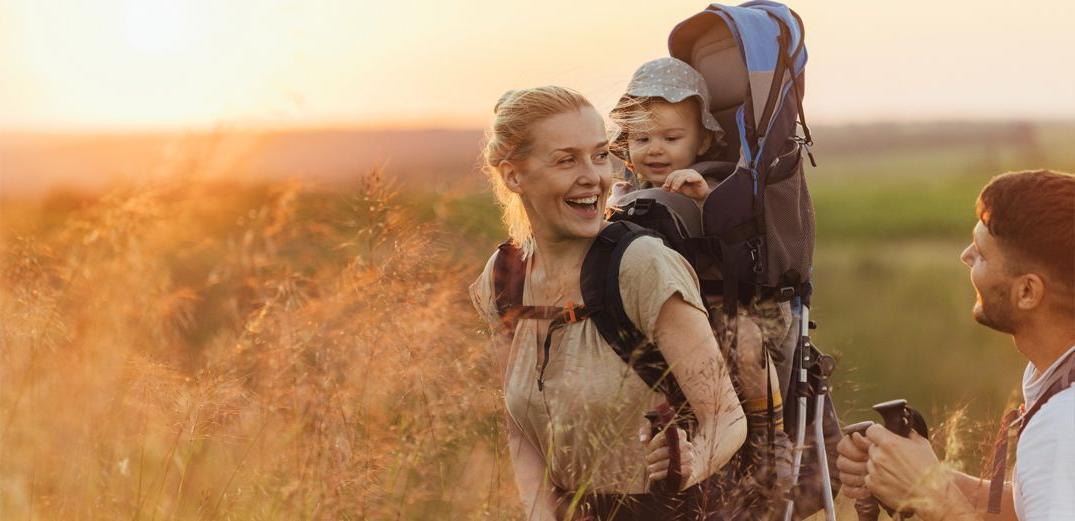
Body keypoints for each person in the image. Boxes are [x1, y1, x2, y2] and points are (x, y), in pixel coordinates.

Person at [470, 85, 747, 520]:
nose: (594, 177)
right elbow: (520, 427)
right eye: (566, 160)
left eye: (600, 155)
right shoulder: (505, 277)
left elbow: (727, 416)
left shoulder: (642, 265)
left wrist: (691, 464)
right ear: (513, 175)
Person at [608, 57, 795, 518]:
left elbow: (749, 258)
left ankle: (772, 440)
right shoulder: (621, 194)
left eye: (671, 139)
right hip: (662, 317)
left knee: (746, 340)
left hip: (729, 309)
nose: (655, 150)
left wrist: (709, 204)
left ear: (703, 139)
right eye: (641, 138)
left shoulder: (711, 184)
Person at [836, 170, 1075, 520]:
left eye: (981, 254)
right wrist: (917, 476)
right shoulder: (1057, 382)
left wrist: (932, 496)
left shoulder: (1060, 424)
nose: (966, 256)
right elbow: (1041, 503)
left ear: (1027, 292)